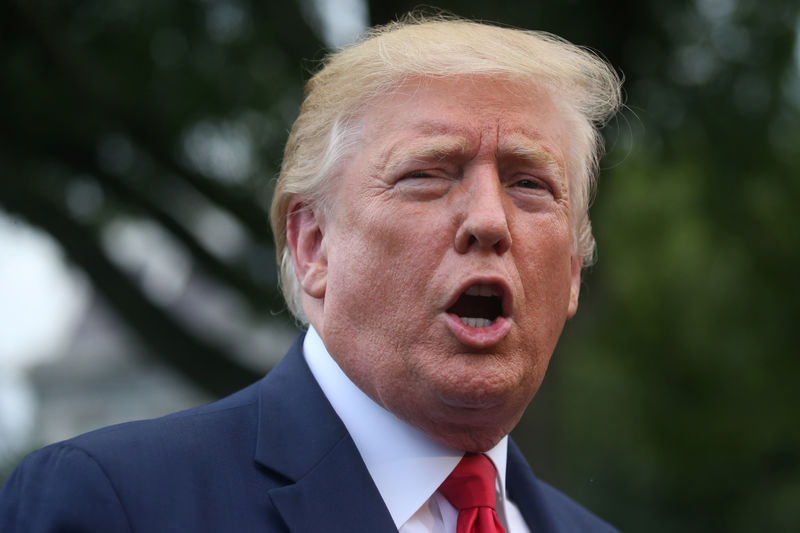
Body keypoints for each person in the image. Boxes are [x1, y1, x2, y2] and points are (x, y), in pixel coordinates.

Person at [0, 14, 622, 532]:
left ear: (571, 272)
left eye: (530, 184)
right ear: (313, 246)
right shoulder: (114, 503)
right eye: (428, 174)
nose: (489, 220)